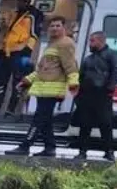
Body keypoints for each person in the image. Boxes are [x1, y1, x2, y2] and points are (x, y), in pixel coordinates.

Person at [6, 15, 79, 158]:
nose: (54, 28)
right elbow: (41, 69)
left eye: (58, 25)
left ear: (64, 28)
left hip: (52, 90)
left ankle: (25, 146)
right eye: (52, 26)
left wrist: (73, 84)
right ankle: (50, 148)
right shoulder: (51, 44)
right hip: (42, 89)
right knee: (46, 122)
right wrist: (27, 80)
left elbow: (71, 66)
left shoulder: (66, 44)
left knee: (38, 119)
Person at [0, 0, 40, 120]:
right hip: (7, 53)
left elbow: (34, 34)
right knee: (1, 82)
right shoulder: (14, 14)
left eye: (21, 1)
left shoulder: (31, 16)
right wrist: (0, 48)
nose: (19, 3)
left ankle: (11, 111)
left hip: (19, 53)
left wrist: (28, 50)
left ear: (27, 2)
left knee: (17, 84)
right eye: (18, 1)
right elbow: (8, 33)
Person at [72, 31, 117, 161]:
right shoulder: (89, 58)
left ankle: (109, 151)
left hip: (102, 94)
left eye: (92, 41)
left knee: (105, 123)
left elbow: (116, 71)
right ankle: (82, 151)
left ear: (101, 41)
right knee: (85, 124)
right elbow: (81, 75)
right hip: (86, 94)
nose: (90, 43)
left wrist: (110, 89)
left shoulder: (112, 54)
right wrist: (78, 95)